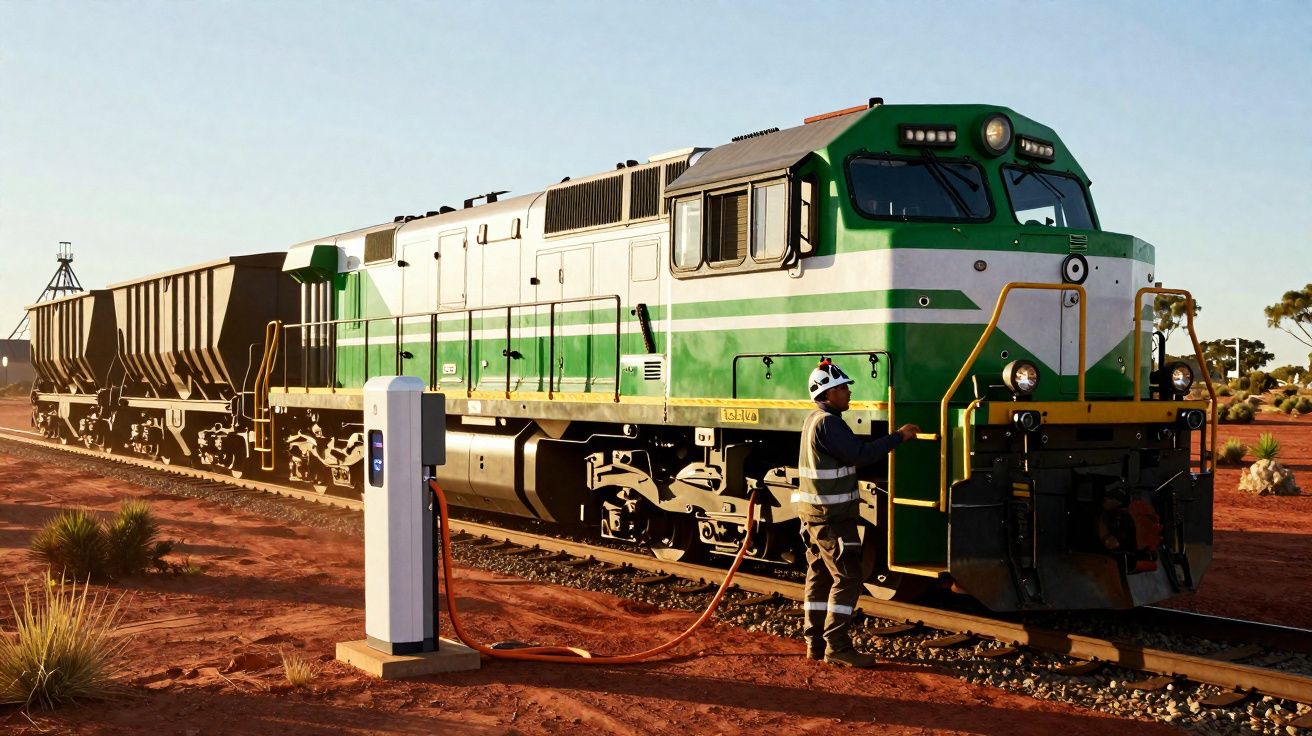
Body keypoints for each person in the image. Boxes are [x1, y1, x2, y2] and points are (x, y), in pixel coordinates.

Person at [796, 359, 919, 668]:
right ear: (828, 393)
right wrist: (898, 437)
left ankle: (814, 643)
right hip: (832, 517)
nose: (848, 392)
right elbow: (860, 454)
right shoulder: (829, 423)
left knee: (819, 575)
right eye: (843, 388)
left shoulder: (813, 419)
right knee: (848, 577)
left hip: (815, 515)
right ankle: (836, 646)